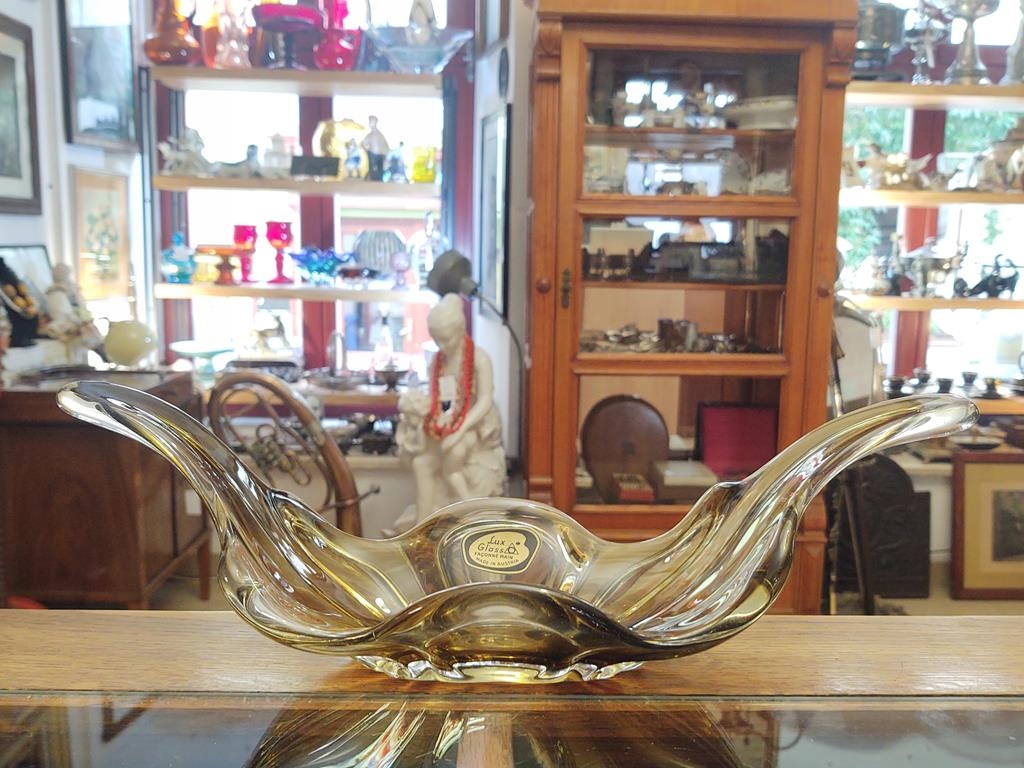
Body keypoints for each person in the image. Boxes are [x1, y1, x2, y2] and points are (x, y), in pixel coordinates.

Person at [392, 294, 505, 532]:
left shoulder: (479, 359)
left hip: (475, 425)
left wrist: (459, 430)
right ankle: (421, 528)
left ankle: (470, 513)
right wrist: (440, 420)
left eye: (446, 339)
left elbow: (484, 401)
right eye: (437, 340)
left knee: (454, 450)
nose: (441, 346)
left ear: (461, 330)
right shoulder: (437, 361)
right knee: (421, 463)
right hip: (451, 422)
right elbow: (442, 399)